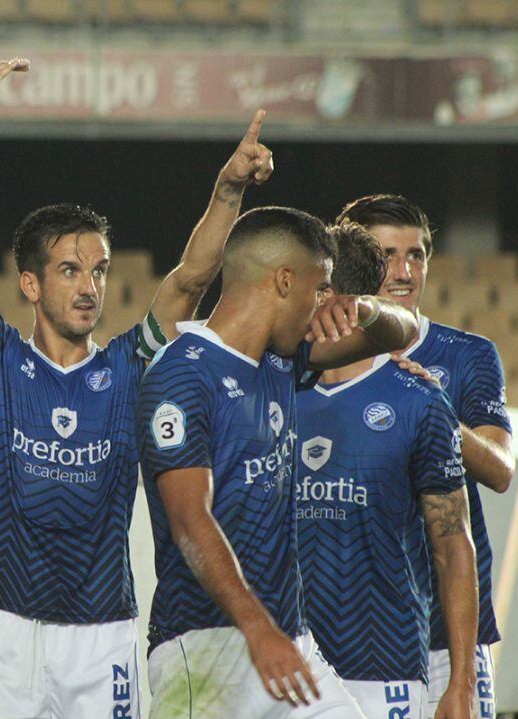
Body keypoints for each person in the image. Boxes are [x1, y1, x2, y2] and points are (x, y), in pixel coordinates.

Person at [0, 58, 275, 718]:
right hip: (6, 631)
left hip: (104, 638)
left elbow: (187, 282)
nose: (90, 285)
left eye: (97, 269)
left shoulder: (129, 367)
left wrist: (229, 191)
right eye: (70, 270)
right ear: (31, 285)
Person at [136, 206, 419, 719]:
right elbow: (189, 520)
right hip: (206, 649)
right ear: (285, 281)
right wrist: (257, 628)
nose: (323, 304)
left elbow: (403, 334)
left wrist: (365, 310)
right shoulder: (180, 376)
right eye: (321, 289)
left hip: (289, 641)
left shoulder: (281, 360)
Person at [337, 195, 513, 719]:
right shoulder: (316, 359)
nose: (404, 270)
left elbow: (501, 469)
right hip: (360, 627)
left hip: (448, 627)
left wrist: (429, 408)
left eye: (416, 255)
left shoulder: (467, 355)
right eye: (388, 254)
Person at [295, 222, 478, 719]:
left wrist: (462, 683)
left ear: (329, 295)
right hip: (289, 668)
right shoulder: (272, 389)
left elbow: (452, 545)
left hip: (384, 669)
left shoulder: (417, 399)